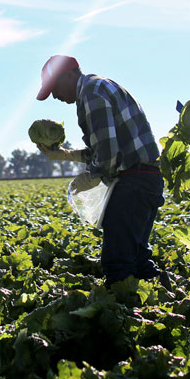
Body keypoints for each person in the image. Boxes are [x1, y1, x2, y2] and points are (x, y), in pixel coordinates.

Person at [34, 54, 167, 288]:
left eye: (55, 87)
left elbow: (107, 153)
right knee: (136, 256)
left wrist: (92, 176)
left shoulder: (91, 93)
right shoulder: (98, 87)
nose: (55, 95)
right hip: (146, 177)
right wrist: (65, 155)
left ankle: (126, 314)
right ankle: (163, 300)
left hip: (133, 181)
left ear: (69, 74)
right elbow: (106, 147)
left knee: (118, 262)